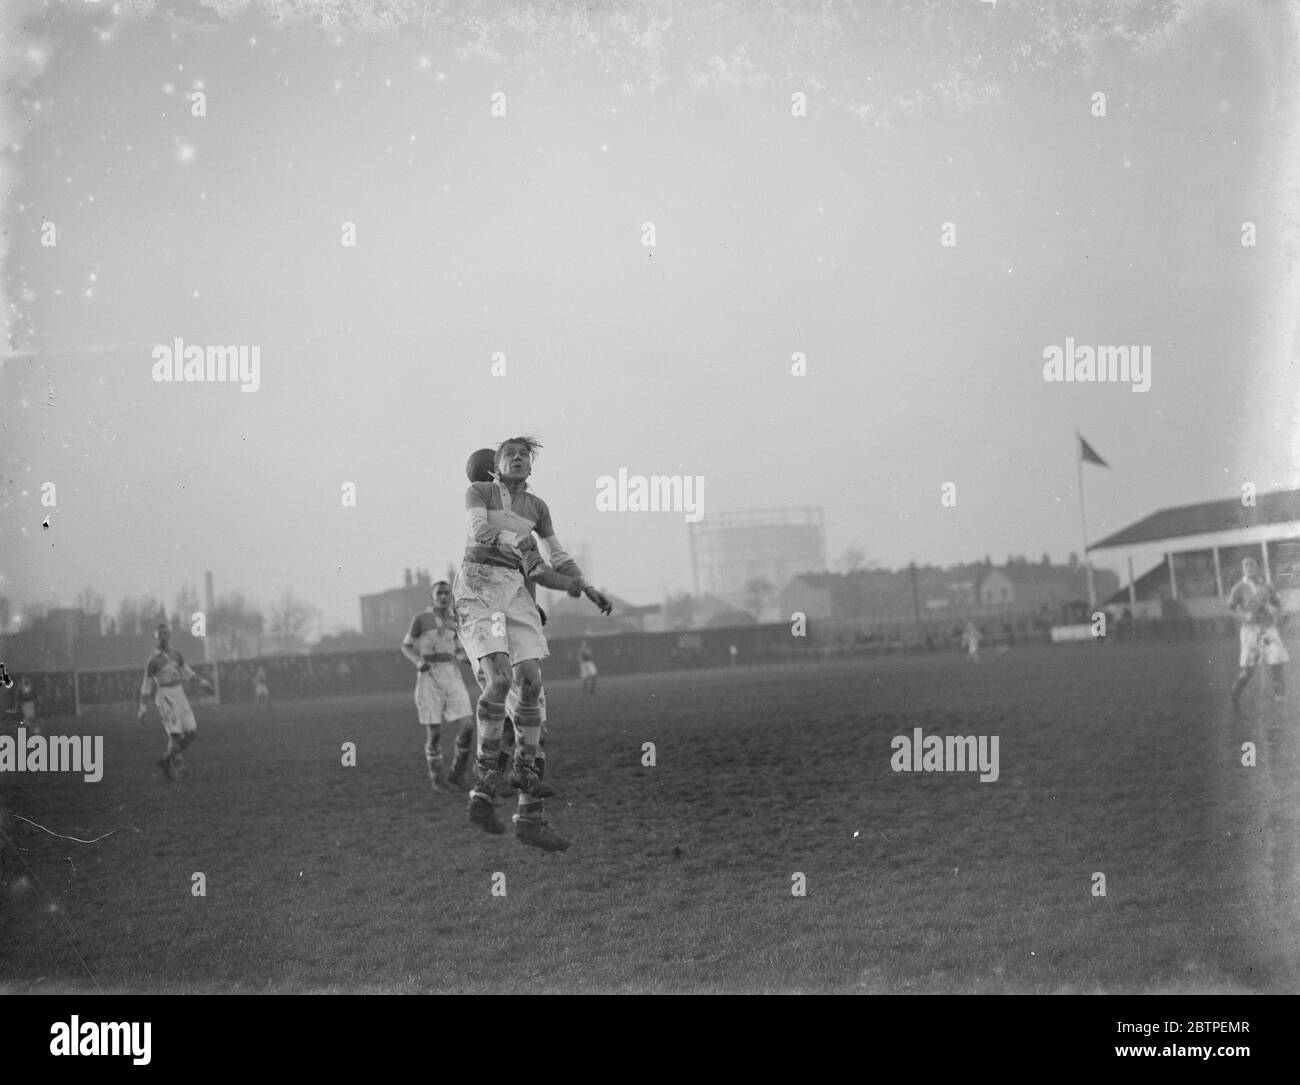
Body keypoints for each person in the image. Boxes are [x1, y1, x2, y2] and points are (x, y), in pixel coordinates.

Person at [454, 436, 611, 852]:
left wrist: (582, 586)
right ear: (495, 470)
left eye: (525, 455)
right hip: (484, 600)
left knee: (530, 700)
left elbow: (544, 566)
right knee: (511, 697)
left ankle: (509, 807)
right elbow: (499, 544)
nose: (519, 460)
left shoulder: (535, 509)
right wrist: (530, 559)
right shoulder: (485, 500)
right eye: (510, 455)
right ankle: (494, 791)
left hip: (515, 607)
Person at [401, 581, 475, 793]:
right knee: (434, 732)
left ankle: (458, 773)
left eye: (446, 593)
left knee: (468, 725)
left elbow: (458, 651)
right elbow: (405, 646)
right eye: (439, 593)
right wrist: (417, 661)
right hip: (429, 676)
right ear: (432, 597)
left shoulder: (455, 621)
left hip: (451, 674)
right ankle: (437, 778)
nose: (443, 596)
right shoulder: (421, 619)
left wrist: (471, 661)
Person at [138, 623, 213, 781]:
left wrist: (204, 684)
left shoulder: (176, 655)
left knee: (191, 733)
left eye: (166, 634)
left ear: (169, 635)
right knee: (175, 734)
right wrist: (143, 709)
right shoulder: (153, 661)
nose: (163, 637)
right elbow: (146, 685)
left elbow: (188, 673)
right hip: (165, 696)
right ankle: (180, 768)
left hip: (180, 694)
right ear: (156, 637)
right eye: (160, 634)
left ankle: (166, 760)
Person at [1227, 556, 1288, 709]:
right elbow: (1230, 608)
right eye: (1245, 565)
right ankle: (1235, 694)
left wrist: (1276, 613)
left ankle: (1280, 699)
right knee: (1248, 670)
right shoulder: (1239, 587)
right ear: (1243, 568)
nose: (1248, 567)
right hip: (1250, 631)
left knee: (1277, 663)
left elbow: (1279, 605)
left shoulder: (1267, 587)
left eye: (1252, 564)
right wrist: (1243, 615)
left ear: (1258, 567)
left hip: (1268, 628)